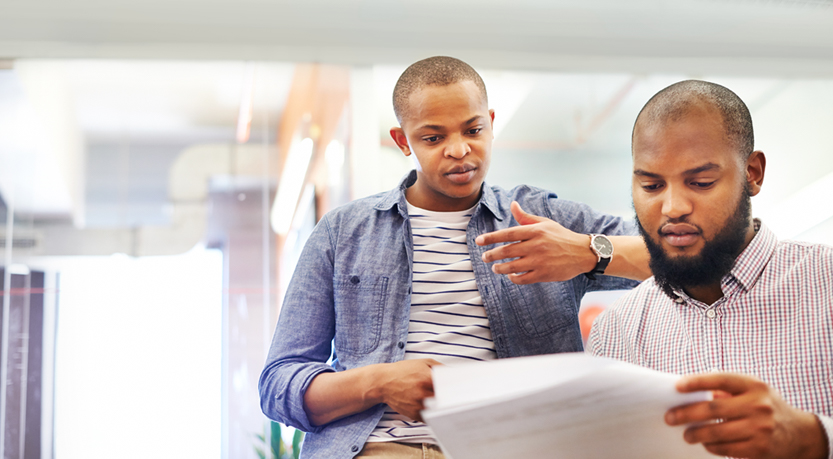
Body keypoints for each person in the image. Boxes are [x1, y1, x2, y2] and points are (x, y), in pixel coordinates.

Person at [259, 56, 651, 459]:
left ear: (491, 122)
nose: (460, 150)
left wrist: (587, 252)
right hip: (379, 448)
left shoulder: (545, 218)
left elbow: (684, 256)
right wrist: (379, 383)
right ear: (402, 141)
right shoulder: (343, 233)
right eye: (433, 138)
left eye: (473, 129)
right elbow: (279, 385)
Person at [588, 80, 833, 459]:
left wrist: (810, 438)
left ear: (752, 173)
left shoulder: (832, 285)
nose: (673, 207)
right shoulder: (616, 332)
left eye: (701, 182)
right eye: (652, 185)